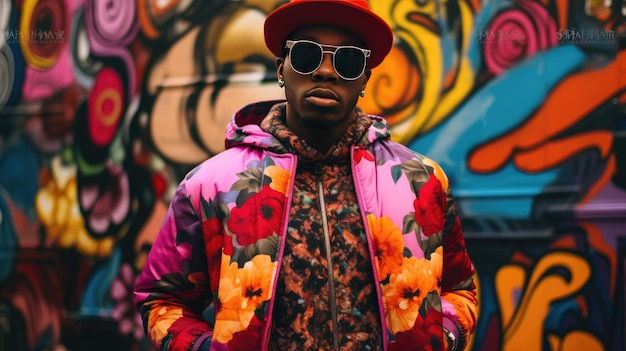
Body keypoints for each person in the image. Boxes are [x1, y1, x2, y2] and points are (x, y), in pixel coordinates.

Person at [134, 0, 478, 350]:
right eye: (307, 54)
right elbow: (162, 299)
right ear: (281, 69)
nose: (326, 71)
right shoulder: (210, 186)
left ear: (364, 78)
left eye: (346, 59)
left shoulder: (421, 180)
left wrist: (444, 336)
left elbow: (460, 287)